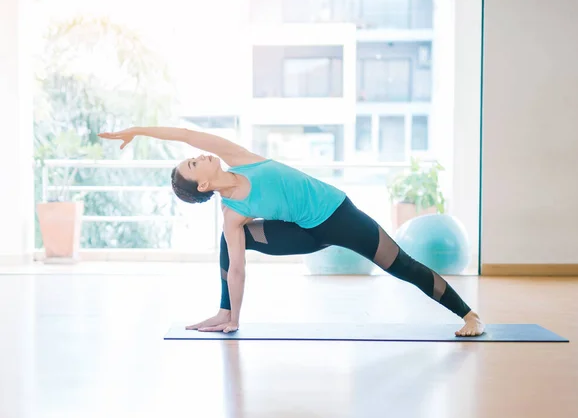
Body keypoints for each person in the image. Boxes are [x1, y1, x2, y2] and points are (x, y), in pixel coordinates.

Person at [99, 127, 485, 337]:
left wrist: (137, 131)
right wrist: (236, 316)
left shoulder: (239, 159)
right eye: (193, 164)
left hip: (339, 214)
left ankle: (469, 316)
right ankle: (224, 313)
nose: (198, 156)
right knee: (233, 241)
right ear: (202, 186)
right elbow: (237, 269)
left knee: (401, 265)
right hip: (306, 234)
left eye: (194, 158)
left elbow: (186, 134)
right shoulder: (232, 213)